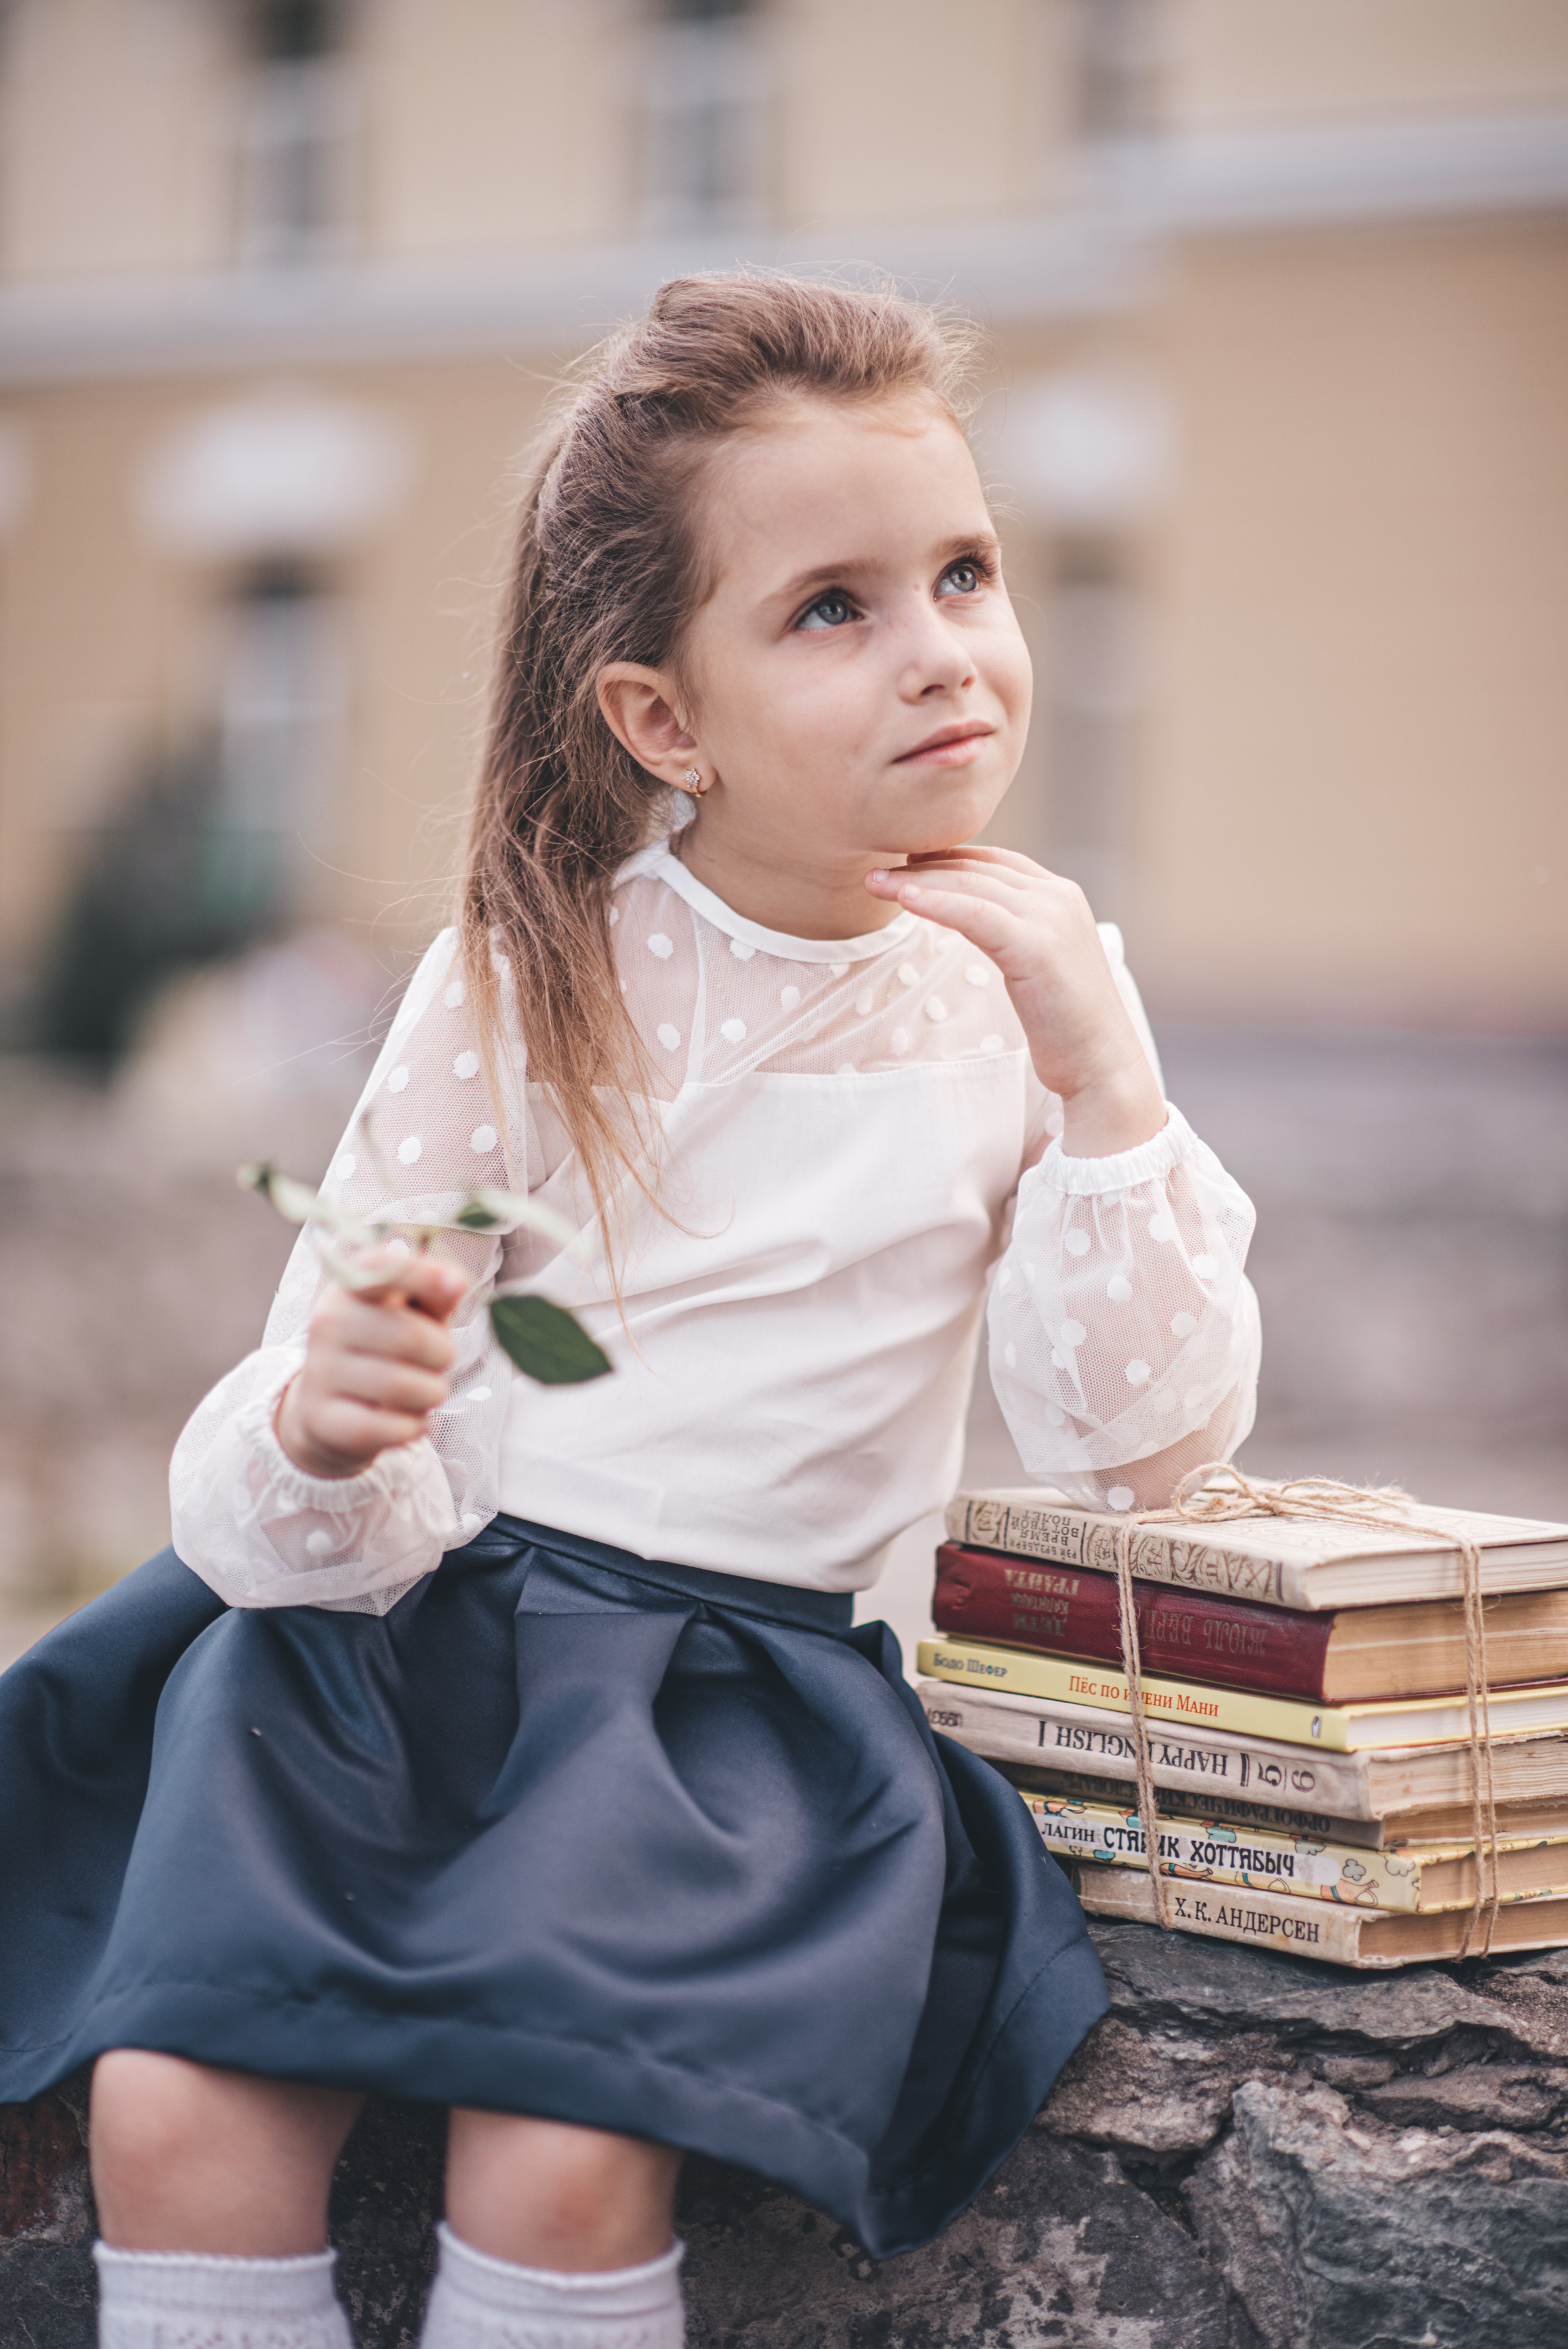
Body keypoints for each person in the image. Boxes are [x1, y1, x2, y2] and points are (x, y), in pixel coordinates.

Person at [0, 275, 1261, 2349]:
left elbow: (1145, 1441)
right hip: (400, 1657)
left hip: (729, 1712)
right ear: (662, 718)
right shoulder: (529, 969)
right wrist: (337, 1412)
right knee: (177, 2098)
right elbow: (322, 1376)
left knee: (559, 2140)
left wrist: (1104, 1074)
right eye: (832, 608)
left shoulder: (1023, 997)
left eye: (963, 571)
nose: (942, 648)